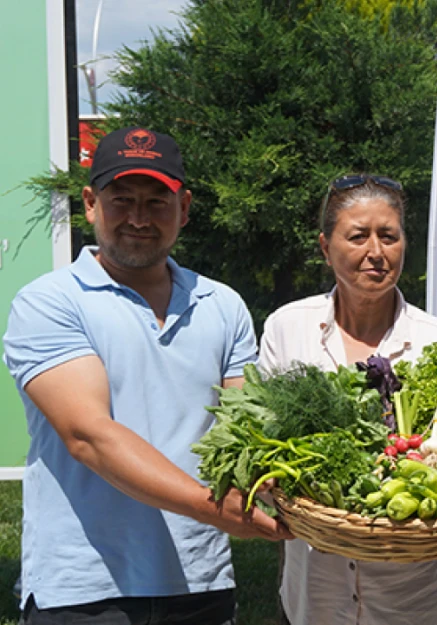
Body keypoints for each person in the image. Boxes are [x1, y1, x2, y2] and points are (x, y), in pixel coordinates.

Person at [3, 126, 290, 625]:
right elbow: (88, 436)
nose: (138, 218)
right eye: (122, 199)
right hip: (86, 589)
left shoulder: (222, 305)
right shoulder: (49, 302)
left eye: (157, 201)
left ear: (185, 208)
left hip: (200, 580)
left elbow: (246, 430)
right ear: (91, 203)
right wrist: (220, 510)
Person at [258, 173, 437, 625]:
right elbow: (265, 441)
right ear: (324, 246)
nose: (376, 252)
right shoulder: (287, 327)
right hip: (315, 596)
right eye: (358, 236)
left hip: (419, 599)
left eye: (389, 236)